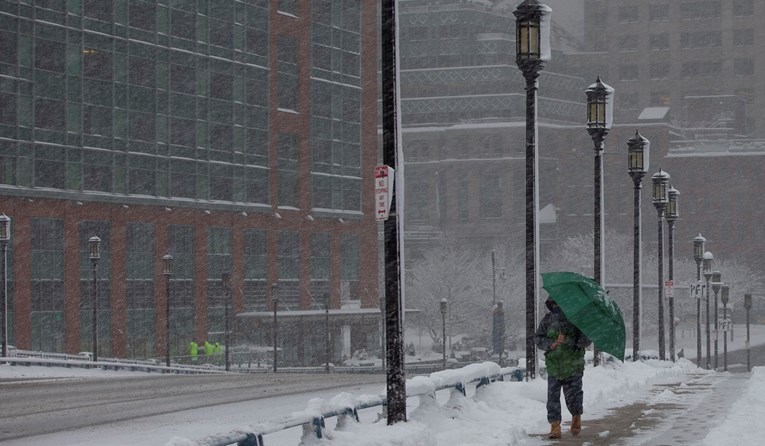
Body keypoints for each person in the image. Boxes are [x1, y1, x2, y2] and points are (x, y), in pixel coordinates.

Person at [535, 297, 592, 439]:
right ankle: (555, 426)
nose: (557, 307)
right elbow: (538, 338)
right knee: (552, 398)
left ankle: (576, 417)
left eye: (560, 303)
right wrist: (550, 344)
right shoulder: (547, 320)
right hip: (555, 365)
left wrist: (567, 340)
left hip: (573, 365)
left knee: (573, 396)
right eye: (554, 304)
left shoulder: (578, 320)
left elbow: (585, 341)